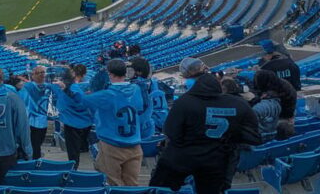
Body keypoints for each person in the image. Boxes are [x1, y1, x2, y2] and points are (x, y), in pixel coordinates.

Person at [150, 58, 261, 194]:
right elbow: (254, 137)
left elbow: (171, 133)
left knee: (160, 187)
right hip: (217, 160)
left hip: (184, 157)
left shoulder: (184, 102)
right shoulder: (238, 104)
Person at [58, 58, 144, 186]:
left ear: (110, 74)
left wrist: (66, 88)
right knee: (132, 185)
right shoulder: (136, 89)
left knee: (113, 184)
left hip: (112, 146)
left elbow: (82, 100)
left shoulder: (106, 95)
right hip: (135, 145)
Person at [49, 64, 94, 165]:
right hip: (86, 121)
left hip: (71, 122)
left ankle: (74, 170)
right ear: (84, 74)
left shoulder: (67, 87)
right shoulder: (89, 86)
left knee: (73, 153)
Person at [251, 69, 297, 140]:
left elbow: (289, 103)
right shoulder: (275, 83)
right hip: (278, 112)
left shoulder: (283, 88)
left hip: (285, 113)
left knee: (283, 129)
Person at [20, 65, 52, 160]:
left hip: (31, 121)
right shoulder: (48, 87)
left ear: (34, 75)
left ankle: (33, 167)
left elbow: (22, 103)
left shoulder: (27, 87)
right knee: (37, 145)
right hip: (43, 122)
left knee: (33, 147)